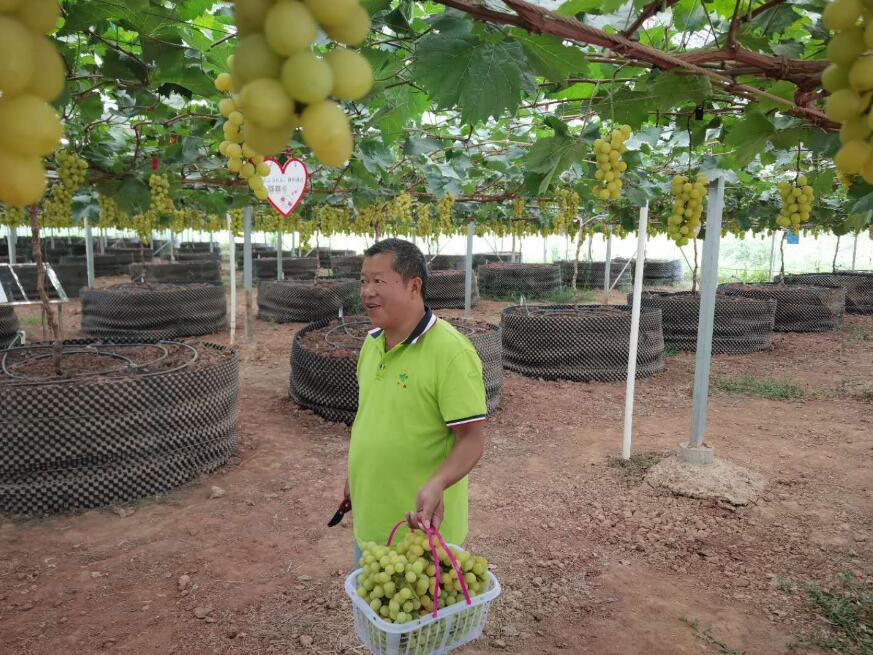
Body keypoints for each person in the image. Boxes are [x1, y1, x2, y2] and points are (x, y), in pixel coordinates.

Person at [344, 238, 487, 567]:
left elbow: (471, 439)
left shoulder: (451, 353)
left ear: (414, 286)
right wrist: (354, 475)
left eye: (378, 281)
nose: (367, 292)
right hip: (371, 527)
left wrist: (438, 482)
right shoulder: (371, 344)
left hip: (424, 533)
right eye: (363, 281)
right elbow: (372, 417)